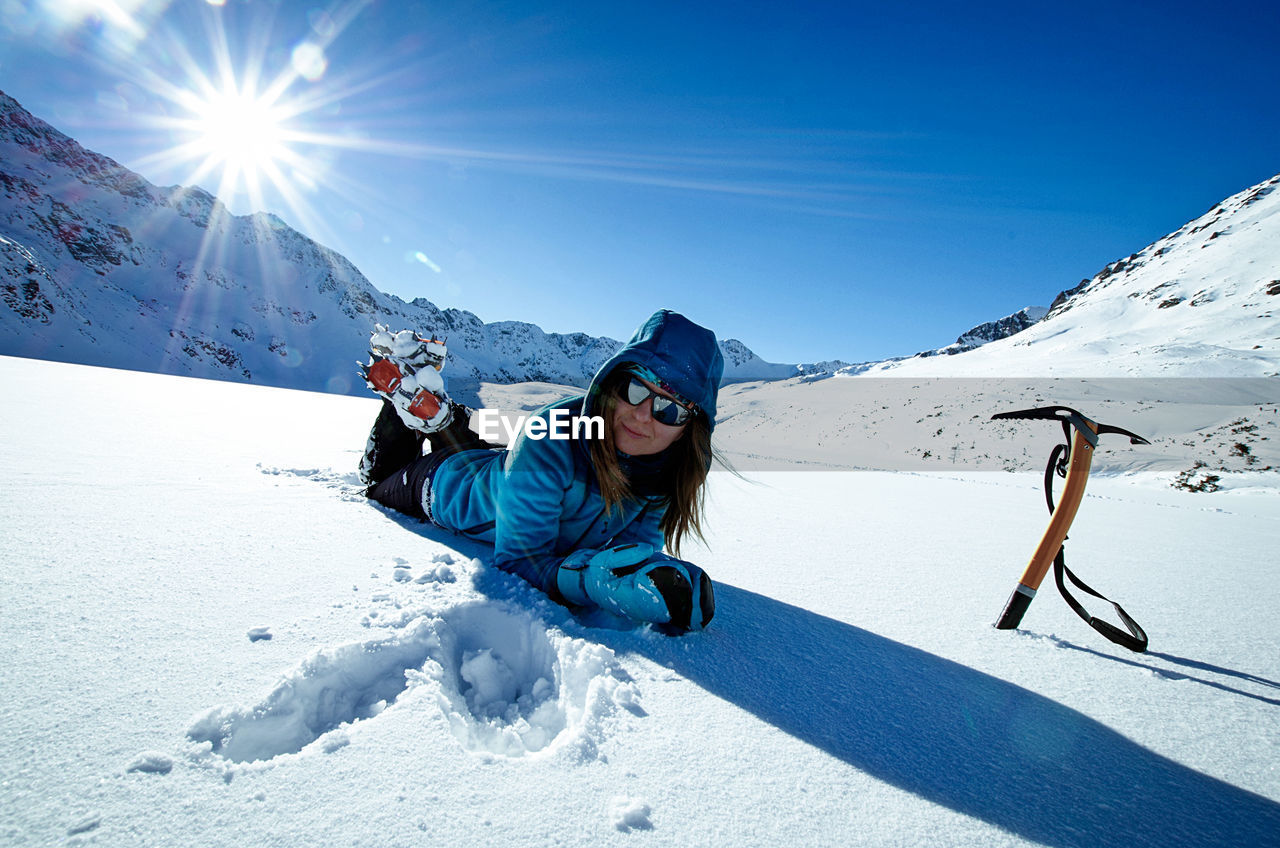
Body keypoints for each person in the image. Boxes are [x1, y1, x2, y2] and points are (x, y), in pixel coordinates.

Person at [357, 309, 723, 632]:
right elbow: (519, 560)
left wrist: (651, 581)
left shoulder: (665, 473)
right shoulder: (552, 434)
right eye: (635, 388)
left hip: (505, 469)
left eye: (669, 408)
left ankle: (443, 417)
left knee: (496, 457)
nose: (642, 415)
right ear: (613, 383)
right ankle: (404, 395)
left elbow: (631, 553)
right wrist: (592, 582)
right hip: (443, 487)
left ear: (689, 429)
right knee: (376, 483)